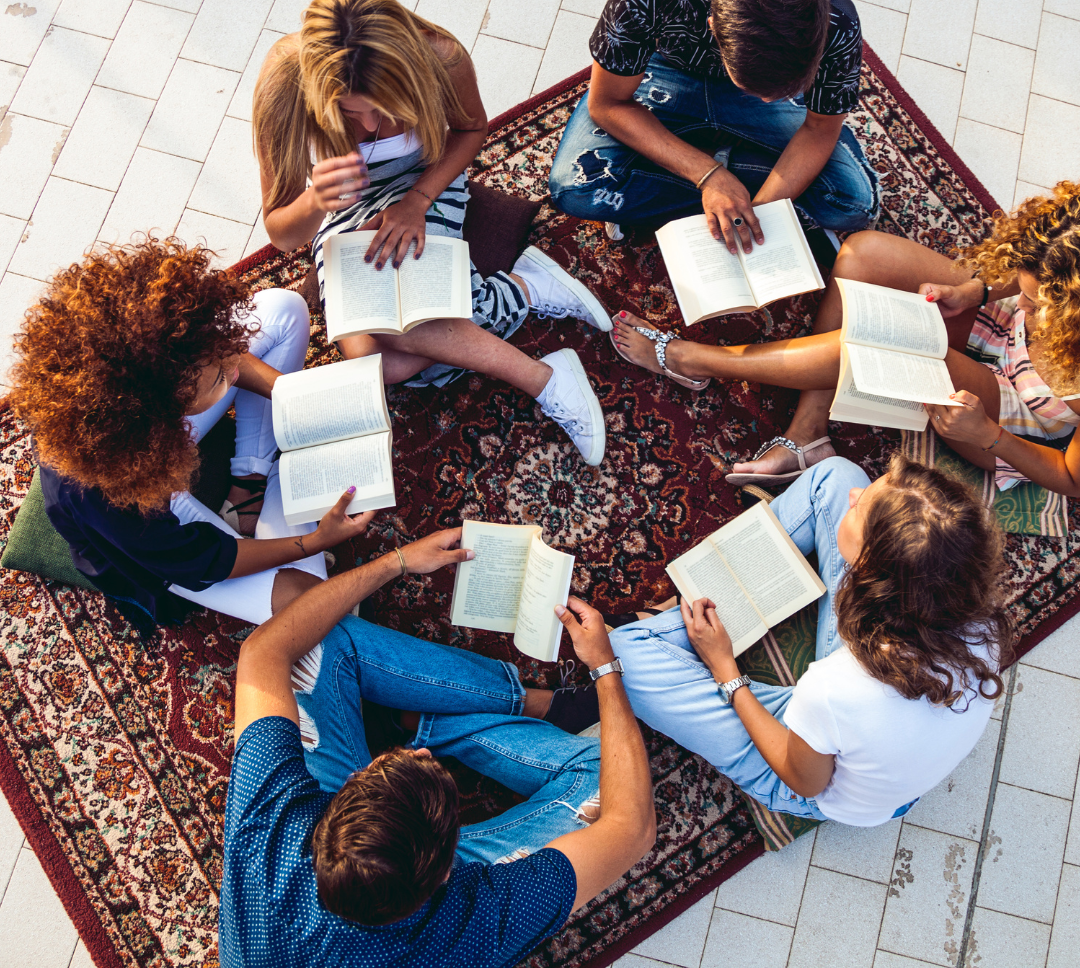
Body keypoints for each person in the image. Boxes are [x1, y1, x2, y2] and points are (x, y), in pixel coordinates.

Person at [220, 524, 657, 968]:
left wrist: (399, 560)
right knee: (607, 775)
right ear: (451, 870)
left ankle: (506, 703)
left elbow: (263, 651)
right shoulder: (464, 934)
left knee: (314, 636)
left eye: (395, 763)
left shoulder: (268, 827)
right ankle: (438, 716)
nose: (421, 757)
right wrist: (605, 668)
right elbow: (633, 827)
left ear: (345, 792)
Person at [253, 0, 611, 466]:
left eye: (388, 104)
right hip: (341, 209)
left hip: (427, 181)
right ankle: (523, 290)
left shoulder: (440, 57)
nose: (372, 123)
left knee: (400, 331)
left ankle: (544, 380)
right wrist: (315, 198)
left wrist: (418, 200)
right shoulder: (283, 85)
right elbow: (281, 233)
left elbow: (470, 130)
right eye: (352, 110)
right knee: (382, 363)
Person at [610, 455, 1012, 827]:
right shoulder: (976, 616)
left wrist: (725, 669)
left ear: (869, 568)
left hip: (816, 786)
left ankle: (684, 610)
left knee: (623, 657)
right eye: (875, 487)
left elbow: (804, 780)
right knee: (835, 477)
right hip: (886, 692)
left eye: (860, 509)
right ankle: (690, 605)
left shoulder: (834, 688)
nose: (856, 496)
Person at [612, 180, 1080, 495]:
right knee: (863, 253)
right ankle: (808, 434)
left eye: (1038, 307)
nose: (1023, 305)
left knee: (888, 343)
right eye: (1027, 292)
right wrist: (972, 291)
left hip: (1013, 410)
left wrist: (989, 436)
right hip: (1000, 336)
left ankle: (695, 360)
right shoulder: (1047, 276)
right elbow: (1025, 278)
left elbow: (1071, 478)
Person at [9, 237, 368, 630]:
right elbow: (207, 561)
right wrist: (313, 543)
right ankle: (281, 482)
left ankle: (249, 486)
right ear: (162, 407)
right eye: (218, 376)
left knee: (285, 308)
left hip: (151, 451)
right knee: (315, 601)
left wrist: (293, 397)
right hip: (158, 529)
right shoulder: (112, 502)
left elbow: (226, 359)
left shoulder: (152, 370)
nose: (235, 364)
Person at [548, 0, 878, 251]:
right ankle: (728, 170)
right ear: (713, 29)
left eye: (780, 92)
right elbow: (607, 104)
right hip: (665, 72)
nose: (765, 100)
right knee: (573, 187)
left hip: (744, 87)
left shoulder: (838, 20)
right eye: (757, 90)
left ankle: (690, 167)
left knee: (853, 204)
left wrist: (757, 215)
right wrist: (708, 176)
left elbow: (819, 128)